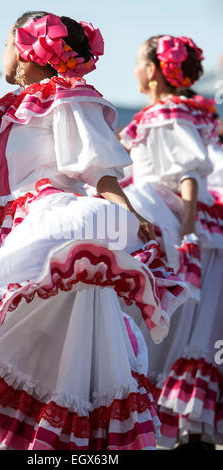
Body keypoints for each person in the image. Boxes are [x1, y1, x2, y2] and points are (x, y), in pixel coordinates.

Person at [0, 13, 188, 450]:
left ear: (27, 49)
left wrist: (128, 214)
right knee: (0, 344)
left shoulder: (68, 99)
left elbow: (100, 173)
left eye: (7, 43)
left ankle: (53, 448)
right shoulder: (9, 108)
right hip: (8, 237)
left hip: (51, 235)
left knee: (44, 356)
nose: (2, 54)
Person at [119, 35, 223, 449]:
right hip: (174, 222)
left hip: (177, 226)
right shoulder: (169, 113)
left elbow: (186, 175)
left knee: (181, 329)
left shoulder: (167, 113)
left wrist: (186, 232)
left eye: (138, 62)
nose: (133, 71)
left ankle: (184, 426)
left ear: (154, 71)